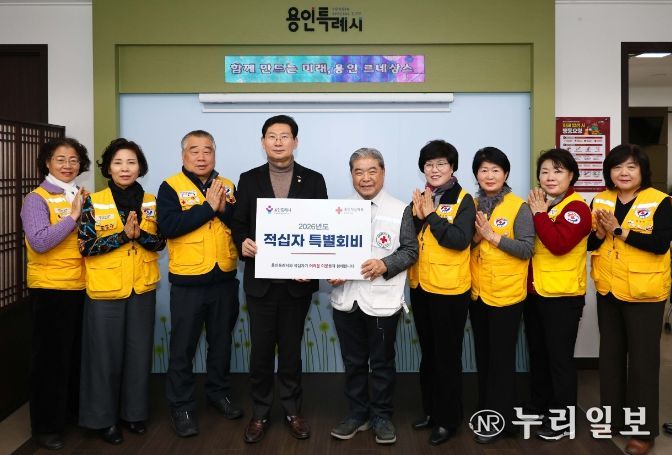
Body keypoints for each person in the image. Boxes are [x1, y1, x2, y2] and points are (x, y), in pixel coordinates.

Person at [232, 115, 327, 443]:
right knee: (260, 352)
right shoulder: (249, 179)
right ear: (263, 142)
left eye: (284, 136)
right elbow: (239, 224)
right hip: (261, 284)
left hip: (297, 285)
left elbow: (322, 227)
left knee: (290, 352)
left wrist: (312, 266)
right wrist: (242, 242)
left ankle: (292, 411)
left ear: (295, 142)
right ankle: (259, 413)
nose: (278, 141)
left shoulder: (313, 180)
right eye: (271, 136)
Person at [78, 138, 165, 444]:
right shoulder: (94, 201)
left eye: (131, 162)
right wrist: (122, 237)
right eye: (118, 162)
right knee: (104, 358)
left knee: (139, 354)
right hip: (105, 291)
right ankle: (103, 421)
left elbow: (160, 242)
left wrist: (140, 236)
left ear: (140, 167)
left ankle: (134, 414)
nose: (125, 168)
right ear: (108, 169)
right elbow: (86, 246)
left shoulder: (152, 201)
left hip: (142, 288)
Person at [328, 148, 418, 445]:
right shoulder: (338, 210)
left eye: (371, 171)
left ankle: (381, 416)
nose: (365, 178)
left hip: (382, 300)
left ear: (383, 172)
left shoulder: (401, 209)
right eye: (358, 172)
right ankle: (357, 414)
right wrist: (332, 270)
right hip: (346, 299)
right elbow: (329, 250)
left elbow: (410, 251)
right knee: (353, 363)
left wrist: (385, 264)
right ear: (351, 175)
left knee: (381, 363)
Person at [157, 130, 242, 437]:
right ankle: (181, 406)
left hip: (224, 278)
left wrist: (223, 209)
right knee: (183, 348)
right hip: (188, 282)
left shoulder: (227, 185)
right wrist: (208, 208)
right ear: (184, 155)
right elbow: (169, 226)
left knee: (221, 343)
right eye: (194, 151)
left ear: (214, 154)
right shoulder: (171, 186)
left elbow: (240, 223)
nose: (202, 157)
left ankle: (219, 393)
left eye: (208, 151)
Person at [589, 144, 672, 455]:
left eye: (631, 167)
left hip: (645, 292)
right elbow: (590, 243)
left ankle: (643, 432)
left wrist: (618, 230)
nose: (623, 173)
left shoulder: (660, 201)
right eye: (617, 167)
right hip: (608, 288)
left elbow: (660, 244)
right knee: (610, 357)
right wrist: (599, 234)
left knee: (642, 362)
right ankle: (611, 420)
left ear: (643, 171)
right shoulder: (600, 199)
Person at [21, 137, 90, 451]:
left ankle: (70, 415)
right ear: (47, 162)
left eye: (73, 159)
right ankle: (46, 427)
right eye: (60, 159)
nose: (67, 165)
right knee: (49, 362)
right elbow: (40, 242)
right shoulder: (36, 199)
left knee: (74, 358)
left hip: (81, 286)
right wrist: (73, 218)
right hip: (50, 290)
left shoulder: (81, 194)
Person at [407, 140, 475, 445]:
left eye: (441, 164)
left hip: (450, 290)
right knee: (429, 354)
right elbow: (410, 238)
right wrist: (418, 215)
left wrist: (432, 215)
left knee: (447, 357)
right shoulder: (421, 197)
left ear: (452, 167)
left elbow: (459, 240)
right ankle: (431, 412)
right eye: (429, 164)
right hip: (421, 286)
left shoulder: (464, 200)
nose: (434, 170)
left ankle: (449, 420)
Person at [524, 148, 592, 440]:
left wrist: (539, 214)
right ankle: (540, 407)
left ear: (571, 175)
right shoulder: (545, 204)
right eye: (544, 171)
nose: (550, 177)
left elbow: (558, 244)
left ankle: (563, 418)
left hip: (562, 296)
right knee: (538, 355)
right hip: (535, 292)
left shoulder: (577, 208)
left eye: (558, 171)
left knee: (559, 360)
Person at [469, 146, 535, 443]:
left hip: (507, 295)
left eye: (495, 170)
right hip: (477, 292)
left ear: (505, 174)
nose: (489, 175)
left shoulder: (519, 207)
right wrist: (474, 237)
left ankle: (501, 420)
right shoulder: (471, 204)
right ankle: (488, 413)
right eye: (483, 170)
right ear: (476, 175)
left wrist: (492, 237)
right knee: (484, 357)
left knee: (501, 359)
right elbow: (465, 246)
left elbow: (526, 249)